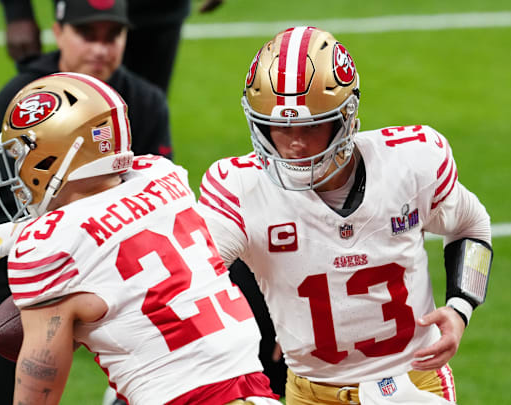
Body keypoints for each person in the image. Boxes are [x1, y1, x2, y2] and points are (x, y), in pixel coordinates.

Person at [196, 26, 493, 404]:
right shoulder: (237, 187)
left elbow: (473, 225)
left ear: (347, 117)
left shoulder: (411, 164)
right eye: (279, 127)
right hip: (311, 391)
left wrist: (460, 307)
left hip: (413, 381)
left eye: (311, 125)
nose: (294, 144)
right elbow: (192, 284)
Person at [0, 72, 279, 405]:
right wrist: (23, 229)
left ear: (54, 154)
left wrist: (31, 236)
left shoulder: (46, 247)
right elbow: (114, 215)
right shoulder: (165, 177)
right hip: (257, 392)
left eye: (21, 154)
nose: (20, 168)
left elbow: (37, 392)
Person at [0, 1, 171, 404]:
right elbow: (10, 200)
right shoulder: (22, 100)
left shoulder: (145, 102)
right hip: (22, 250)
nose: (100, 49)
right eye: (87, 34)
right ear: (58, 32)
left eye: (112, 36)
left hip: (117, 258)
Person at [0, 0, 225, 94]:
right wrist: (17, 10)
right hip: (85, 14)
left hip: (159, 13)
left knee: (146, 112)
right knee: (76, 116)